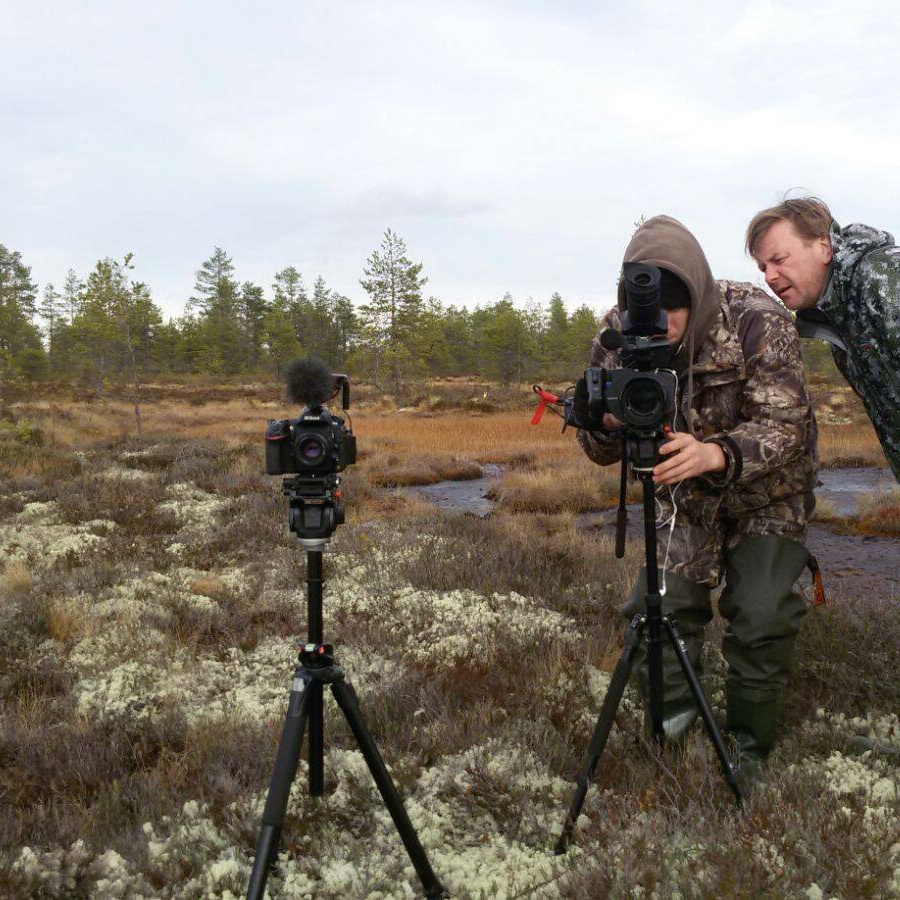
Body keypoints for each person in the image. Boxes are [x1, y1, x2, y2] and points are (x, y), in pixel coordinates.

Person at [578, 215, 817, 784]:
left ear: (697, 294)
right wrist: (608, 421)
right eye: (650, 316)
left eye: (674, 314)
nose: (660, 328)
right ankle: (674, 747)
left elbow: (788, 426)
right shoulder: (616, 333)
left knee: (761, 615)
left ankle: (748, 752)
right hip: (684, 499)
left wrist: (718, 454)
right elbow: (597, 444)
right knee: (659, 613)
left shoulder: (757, 318)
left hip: (767, 495)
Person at [746, 196, 900, 481]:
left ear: (824, 247)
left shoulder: (882, 279)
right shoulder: (838, 327)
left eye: (778, 259)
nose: (768, 276)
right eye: (762, 267)